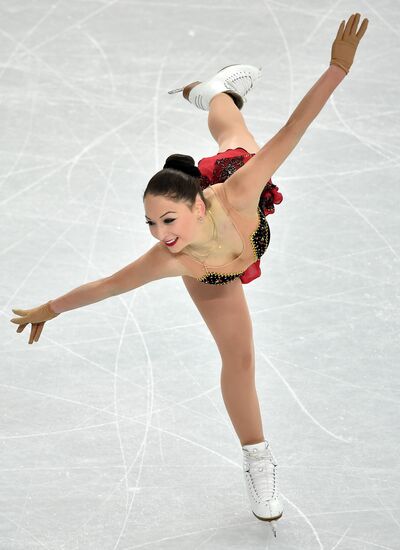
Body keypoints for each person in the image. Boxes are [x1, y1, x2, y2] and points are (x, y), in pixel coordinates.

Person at [9, 13, 368, 537]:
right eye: (151, 223)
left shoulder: (239, 187)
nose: (159, 233)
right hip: (215, 277)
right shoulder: (172, 259)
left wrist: (337, 67)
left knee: (233, 131)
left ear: (199, 204)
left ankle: (212, 91)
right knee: (239, 359)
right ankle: (258, 459)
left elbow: (295, 128)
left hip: (236, 203)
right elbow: (107, 284)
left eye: (168, 220)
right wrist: (49, 309)